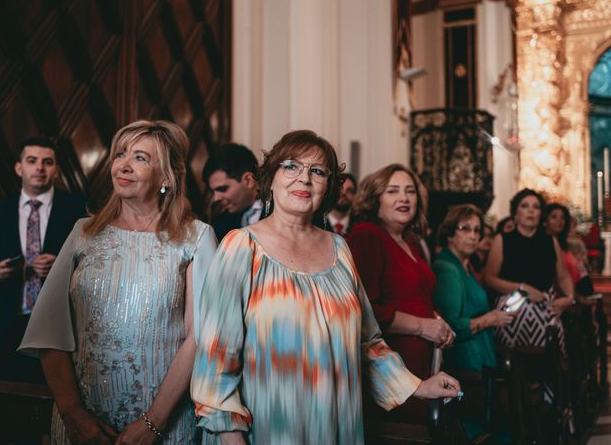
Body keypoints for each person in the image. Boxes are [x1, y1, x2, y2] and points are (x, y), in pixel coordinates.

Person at [191, 131, 461, 444]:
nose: (304, 179)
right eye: (291, 166)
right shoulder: (241, 246)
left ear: (328, 186)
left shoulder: (340, 249)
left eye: (317, 171)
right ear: (271, 178)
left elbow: (367, 341)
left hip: (336, 424)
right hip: (268, 428)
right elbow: (216, 357)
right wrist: (231, 436)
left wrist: (418, 386)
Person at [19, 121, 217, 444]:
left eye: (140, 157)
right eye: (120, 154)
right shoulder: (84, 233)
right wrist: (73, 414)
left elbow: (200, 337)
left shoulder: (195, 238)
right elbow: (50, 332)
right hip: (81, 425)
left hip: (163, 425)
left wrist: (152, 424)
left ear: (166, 176)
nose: (123, 165)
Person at [0, 136, 85, 383]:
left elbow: (92, 261)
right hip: (5, 322)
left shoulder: (77, 209)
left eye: (47, 162)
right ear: (19, 168)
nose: (39, 168)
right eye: (32, 161)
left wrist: (61, 263)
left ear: (56, 170)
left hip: (58, 325)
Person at [347, 164, 454, 382]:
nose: (404, 198)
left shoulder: (411, 241)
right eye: (393, 191)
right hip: (389, 368)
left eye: (410, 191)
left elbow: (418, 296)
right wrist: (423, 326)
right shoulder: (367, 235)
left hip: (422, 364)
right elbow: (364, 310)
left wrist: (439, 322)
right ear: (376, 199)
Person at [483, 189, 574, 349]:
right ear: (515, 213)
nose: (531, 210)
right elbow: (489, 279)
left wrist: (568, 298)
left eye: (536, 207)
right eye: (525, 206)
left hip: (545, 307)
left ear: (540, 214)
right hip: (512, 306)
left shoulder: (550, 241)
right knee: (515, 365)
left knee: (549, 360)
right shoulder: (502, 240)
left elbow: (564, 277)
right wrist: (522, 288)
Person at [433, 205, 514, 372]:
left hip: (478, 355)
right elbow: (448, 326)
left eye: (477, 230)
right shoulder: (447, 268)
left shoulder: (465, 267)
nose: (473, 236)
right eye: (465, 229)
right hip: (464, 362)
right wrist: (488, 319)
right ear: (449, 234)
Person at [202, 143, 261, 241]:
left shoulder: (279, 213)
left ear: (248, 180)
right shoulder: (220, 221)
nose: (216, 198)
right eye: (213, 191)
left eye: (222, 189)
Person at [325, 172, 356, 236]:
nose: (343, 193)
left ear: (355, 195)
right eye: (339, 189)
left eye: (349, 190)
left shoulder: (360, 225)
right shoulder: (315, 222)